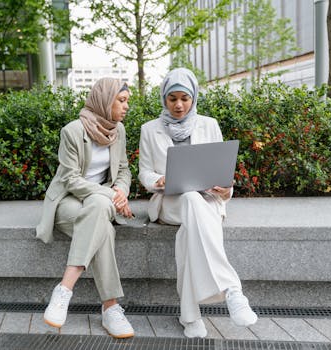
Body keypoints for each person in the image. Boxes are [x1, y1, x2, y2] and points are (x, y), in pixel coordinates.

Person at [138, 68, 258, 338]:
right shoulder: (149, 129)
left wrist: (226, 190)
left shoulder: (209, 124)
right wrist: (158, 180)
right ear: (164, 99)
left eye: (185, 98)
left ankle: (190, 316)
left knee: (189, 233)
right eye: (172, 99)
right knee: (190, 199)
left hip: (207, 200)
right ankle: (232, 290)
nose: (179, 105)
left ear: (193, 98)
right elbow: (144, 171)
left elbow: (221, 166)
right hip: (169, 201)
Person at [36, 78, 134, 339]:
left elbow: (123, 169)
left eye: (127, 102)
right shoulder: (72, 131)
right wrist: (110, 194)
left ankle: (64, 291)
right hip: (69, 200)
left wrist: (121, 190)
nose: (126, 107)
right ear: (105, 100)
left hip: (100, 203)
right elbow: (70, 180)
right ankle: (111, 308)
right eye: (121, 101)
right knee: (103, 223)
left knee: (100, 208)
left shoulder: (118, 130)